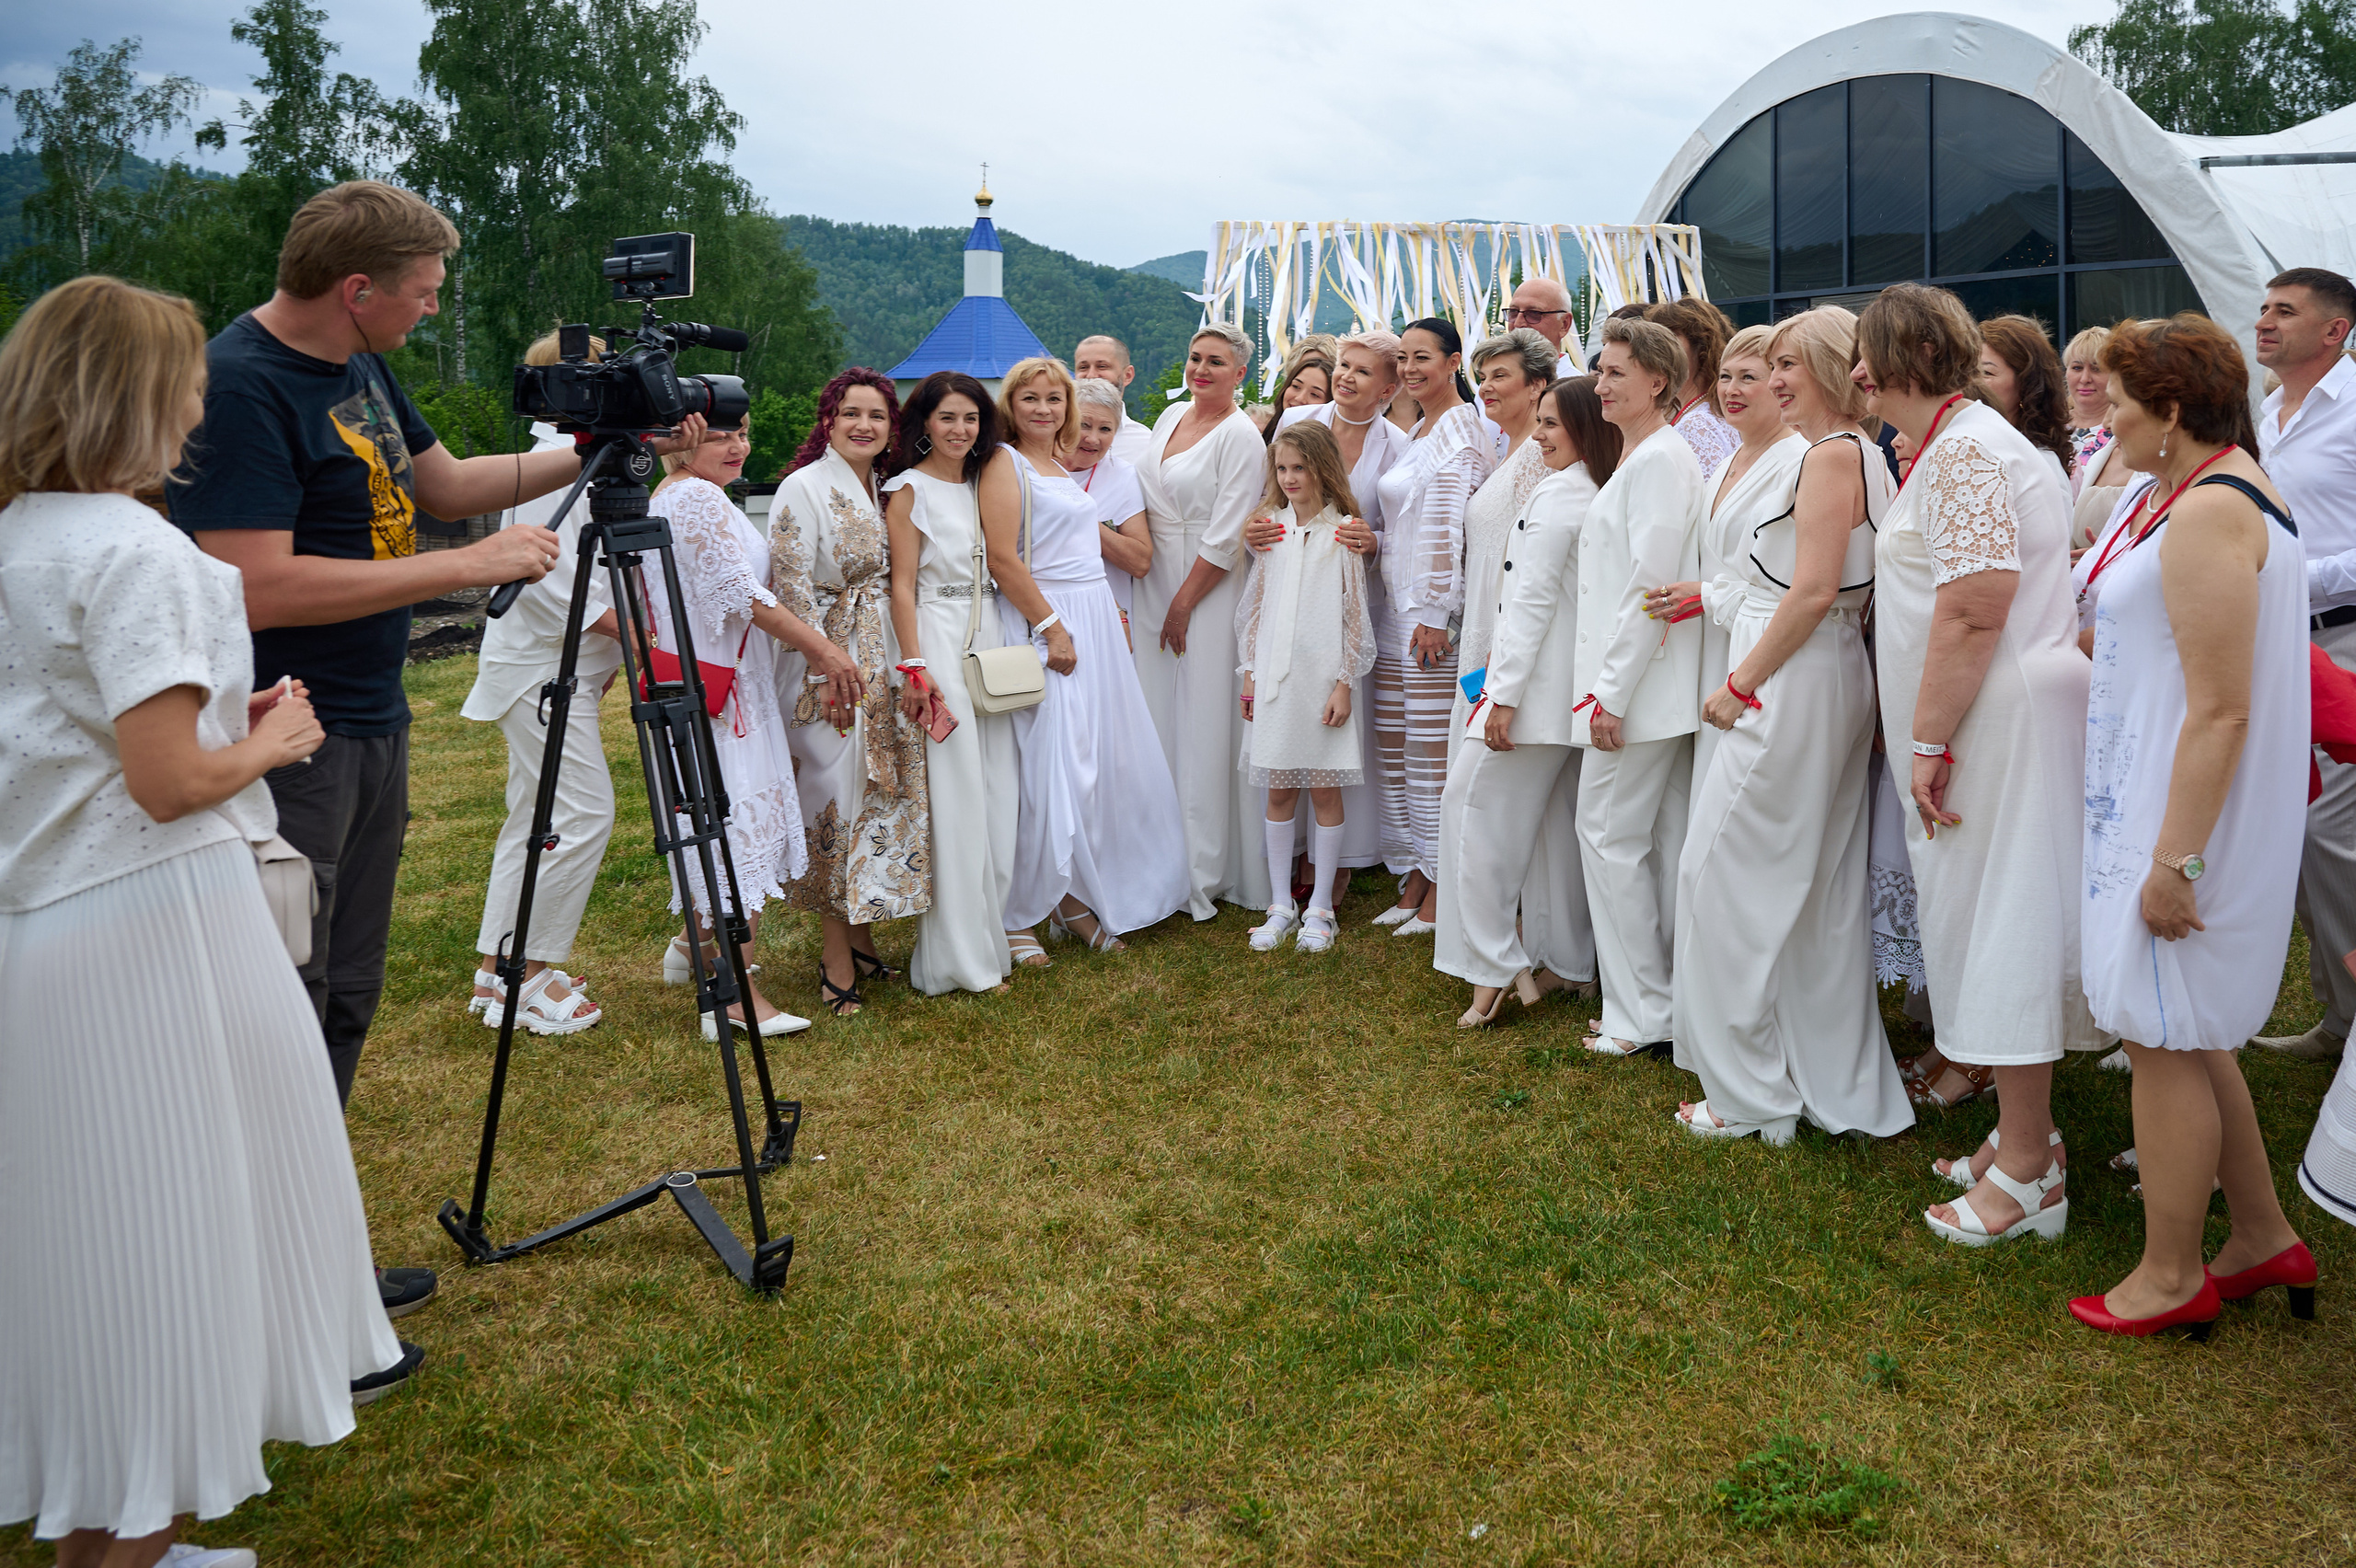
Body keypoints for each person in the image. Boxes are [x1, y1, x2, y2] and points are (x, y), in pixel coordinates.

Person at [173, 181, 682, 1343]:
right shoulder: (242, 386)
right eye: (421, 294)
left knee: (346, 994)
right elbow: (252, 579)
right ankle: (263, 1287)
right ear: (357, 290)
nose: (428, 310)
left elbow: (443, 486)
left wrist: (585, 448)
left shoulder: (359, 364)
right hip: (283, 732)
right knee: (280, 1000)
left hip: (367, 715)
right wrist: (462, 570)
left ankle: (313, 1257)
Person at [1, 275, 405, 1568]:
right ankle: (135, 1545)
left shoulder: (20, 539)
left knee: (99, 1250)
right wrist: (274, 736)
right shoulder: (139, 552)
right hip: (161, 922)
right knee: (185, 1239)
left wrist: (219, 728)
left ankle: (111, 1534)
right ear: (129, 395)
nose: (197, 402)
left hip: (50, 921)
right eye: (181, 379)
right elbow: (168, 781)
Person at [2066, 313, 2314, 1338]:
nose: (2107, 415)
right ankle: (2259, 1236)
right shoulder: (2204, 491)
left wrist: (2175, 864)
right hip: (2163, 793)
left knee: (2159, 1031)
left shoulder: (2213, 508)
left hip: (2185, 813)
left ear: (2170, 411)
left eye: (2120, 398)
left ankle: (2170, 1275)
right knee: (2189, 1029)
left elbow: (2222, 708)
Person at [1855, 282, 2096, 1245]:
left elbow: (1974, 603)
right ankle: (2018, 1136)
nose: (1857, 376)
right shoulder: (1968, 444)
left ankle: (2030, 1172)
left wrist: (1925, 741)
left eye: (1865, 357)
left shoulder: (1964, 450)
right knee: (1986, 919)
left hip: (1988, 723)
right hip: (1994, 713)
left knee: (1999, 924)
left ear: (1892, 362)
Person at [1669, 306, 1910, 1142]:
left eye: (1789, 365)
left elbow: (1812, 592)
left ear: (1835, 370)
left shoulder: (1833, 455)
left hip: (1792, 677)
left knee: (1723, 875)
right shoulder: (1858, 453)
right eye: (1769, 364)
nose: (1774, 380)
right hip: (1824, 674)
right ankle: (1808, 1073)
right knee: (1813, 890)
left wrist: (1739, 682)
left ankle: (1749, 1093)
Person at [649, 420, 848, 1038]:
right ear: (682, 441)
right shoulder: (695, 498)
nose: (737, 448)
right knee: (736, 829)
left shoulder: (680, 497)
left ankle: (692, 946)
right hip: (724, 694)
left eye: (741, 435)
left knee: (728, 824)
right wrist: (823, 650)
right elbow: (741, 594)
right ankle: (733, 999)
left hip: (715, 681)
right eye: (719, 437)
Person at [1435, 376, 1620, 1025]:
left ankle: (1493, 966)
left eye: (1549, 424)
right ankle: (1567, 962)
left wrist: (1502, 697)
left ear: (1583, 428)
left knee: (1471, 816)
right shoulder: (1602, 490)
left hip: (1533, 695)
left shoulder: (1561, 496)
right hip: (1572, 695)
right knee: (1554, 830)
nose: (1537, 436)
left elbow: (1530, 605)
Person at [994, 357, 1187, 955]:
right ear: (1011, 404)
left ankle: (1074, 895)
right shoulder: (1006, 462)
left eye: (1055, 399)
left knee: (1098, 761)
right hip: (1049, 616)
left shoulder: (1059, 461)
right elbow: (1003, 559)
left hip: (1095, 615)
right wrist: (1051, 628)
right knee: (1054, 761)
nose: (1044, 409)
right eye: (1031, 398)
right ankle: (1023, 911)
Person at [458, 331, 617, 1037]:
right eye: (594, 371)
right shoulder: (549, 465)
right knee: (582, 814)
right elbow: (547, 582)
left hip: (563, 670)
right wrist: (644, 644)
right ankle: (531, 969)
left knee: (533, 819)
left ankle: (499, 971)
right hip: (538, 672)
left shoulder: (586, 458)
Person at [768, 369, 929, 1016]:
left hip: (879, 654)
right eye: (850, 413)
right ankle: (836, 964)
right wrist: (820, 671)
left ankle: (860, 939)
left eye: (877, 416)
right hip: (828, 665)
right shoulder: (802, 487)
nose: (864, 425)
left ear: (891, 429)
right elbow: (790, 585)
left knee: (873, 795)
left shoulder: (881, 489)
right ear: (828, 421)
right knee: (835, 800)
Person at [1576, 316, 1706, 1055]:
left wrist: (1611, 694)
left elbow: (1648, 589)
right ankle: (1652, 1002)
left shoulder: (1660, 460)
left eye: (1616, 372)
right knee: (1635, 842)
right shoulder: (1644, 456)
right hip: (1640, 686)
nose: (1601, 384)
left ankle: (1642, 1013)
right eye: (1600, 371)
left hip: (1641, 690)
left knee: (1607, 838)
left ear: (1658, 380)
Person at [1260, 331, 1414, 905]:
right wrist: (1260, 526)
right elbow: (1274, 494)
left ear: (1389, 388)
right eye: (1343, 366)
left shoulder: (1398, 445)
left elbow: (1405, 528)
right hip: (1292, 583)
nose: (1346, 377)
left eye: (1362, 371)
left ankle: (1343, 863)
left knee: (1341, 737)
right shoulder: (1300, 423)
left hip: (1353, 592)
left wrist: (1372, 541)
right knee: (1288, 736)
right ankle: (1288, 861)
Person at [883, 373, 1022, 996]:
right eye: (947, 419)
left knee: (997, 797)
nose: (960, 430)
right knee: (959, 801)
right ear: (924, 424)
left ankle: (993, 940)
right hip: (937, 640)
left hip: (987, 635)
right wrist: (915, 666)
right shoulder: (907, 490)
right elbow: (902, 586)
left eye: (970, 418)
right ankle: (956, 961)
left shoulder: (981, 483)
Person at [2248, 268, 2356, 1064]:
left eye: (2285, 311)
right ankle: (2338, 1018)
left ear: (2336, 330)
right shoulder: (2267, 415)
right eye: (2262, 308)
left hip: (2343, 635)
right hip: (2277, 641)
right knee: (2294, 830)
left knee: (2331, 833)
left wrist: (2300, 577)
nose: (2264, 322)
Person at [1136, 325, 1272, 918]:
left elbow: (1227, 534)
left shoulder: (1241, 437)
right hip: (1153, 575)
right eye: (1195, 358)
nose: (1201, 369)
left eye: (1216, 362)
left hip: (1206, 588)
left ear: (1240, 374)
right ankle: (1152, 851)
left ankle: (1203, 863)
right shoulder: (1168, 419)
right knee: (1158, 712)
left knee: (1202, 718)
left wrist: (1185, 602)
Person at [1370, 317, 1499, 933]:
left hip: (1429, 618)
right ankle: (1418, 868)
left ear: (1454, 363)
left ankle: (1442, 887)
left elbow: (1452, 529)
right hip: (1399, 608)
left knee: (1428, 755)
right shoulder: (1419, 427)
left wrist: (1438, 617)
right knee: (1398, 748)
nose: (1410, 369)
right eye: (1402, 358)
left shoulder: (1461, 432)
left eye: (1422, 357)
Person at [1640, 323, 1805, 786]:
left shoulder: (1799, 460)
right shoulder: (1730, 458)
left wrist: (1711, 595)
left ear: (1779, 384)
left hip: (1760, 654)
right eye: (1726, 376)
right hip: (1710, 647)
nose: (1731, 390)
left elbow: (1799, 581)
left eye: (1749, 377)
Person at [1236, 422, 1377, 954]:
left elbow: (1354, 616)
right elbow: (1254, 605)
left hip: (1323, 679)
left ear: (1322, 468)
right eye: (1282, 468)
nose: (1290, 477)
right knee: (1278, 789)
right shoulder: (1269, 527)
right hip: (1274, 677)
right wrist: (1249, 673)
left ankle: (1320, 907)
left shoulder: (1342, 530)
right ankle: (1279, 904)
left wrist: (1345, 684)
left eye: (1300, 467)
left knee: (1323, 789)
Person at [1065, 377, 1152, 639]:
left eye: (1105, 429)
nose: (1093, 439)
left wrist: (1084, 522)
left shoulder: (1122, 476)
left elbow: (1140, 562)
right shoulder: (1032, 469)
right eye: (1084, 425)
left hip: (1107, 618)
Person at [1977, 314, 2075, 485]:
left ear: (2026, 387)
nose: (1972, 382)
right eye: (1969, 370)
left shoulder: (2040, 464)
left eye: (1987, 373)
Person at [1648, 297, 1739, 480]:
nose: (1658, 352)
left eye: (1670, 340)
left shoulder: (1697, 424)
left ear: (1702, 347)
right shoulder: (1711, 410)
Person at [2063, 325, 2128, 549]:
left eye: (2096, 369)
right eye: (2077, 367)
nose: (2085, 378)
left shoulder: (2123, 431)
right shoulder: (2047, 425)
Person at [1073, 334, 1155, 466]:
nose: (1091, 375)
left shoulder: (1145, 444)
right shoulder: (1054, 431)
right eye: (1083, 367)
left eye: (1102, 366)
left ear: (1127, 375)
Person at [1504, 275, 1578, 372]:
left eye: (1534, 313)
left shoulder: (1578, 386)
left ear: (1564, 324)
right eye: (1513, 312)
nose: (1518, 324)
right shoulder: (1492, 383)